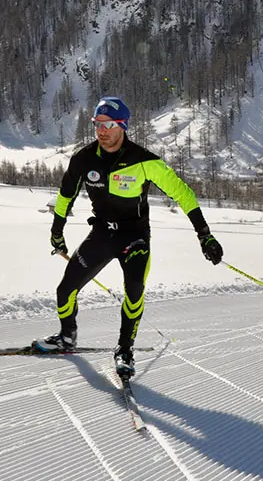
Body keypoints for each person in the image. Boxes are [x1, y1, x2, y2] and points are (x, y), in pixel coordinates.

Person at [34, 96, 224, 378]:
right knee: (65, 290)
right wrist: (56, 232)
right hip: (102, 234)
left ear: (122, 125)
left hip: (134, 237)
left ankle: (124, 348)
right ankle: (67, 335)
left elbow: (183, 194)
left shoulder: (144, 160)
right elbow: (66, 196)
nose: (102, 130)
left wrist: (204, 235)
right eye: (97, 124)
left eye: (108, 124)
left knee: (134, 290)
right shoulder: (83, 159)